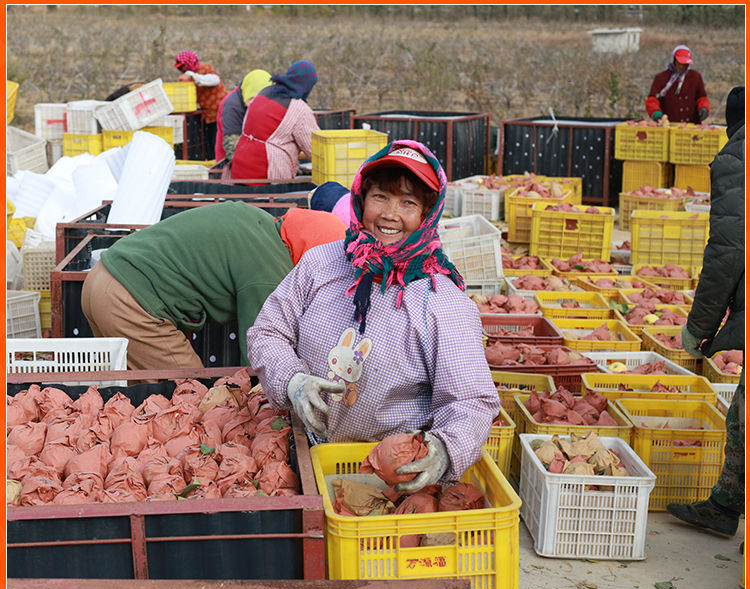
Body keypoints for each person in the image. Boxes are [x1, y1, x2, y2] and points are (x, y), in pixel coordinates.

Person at [246, 140, 501, 491]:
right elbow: (268, 331)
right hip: (300, 455)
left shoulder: (443, 304)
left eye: (408, 203)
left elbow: (471, 400)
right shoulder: (322, 263)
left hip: (386, 477)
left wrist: (445, 447)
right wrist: (291, 380)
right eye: (380, 196)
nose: (389, 214)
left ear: (428, 214)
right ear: (361, 198)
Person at [80, 203, 346, 371]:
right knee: (188, 398)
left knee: (138, 398)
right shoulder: (270, 271)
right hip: (129, 300)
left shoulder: (259, 223)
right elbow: (260, 353)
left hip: (101, 277)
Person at [668, 86, 745, 536]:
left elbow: (728, 252)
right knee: (741, 411)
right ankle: (724, 505)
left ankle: (724, 507)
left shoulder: (738, 158)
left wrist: (699, 327)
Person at [230, 59, 318, 182]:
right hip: (267, 173)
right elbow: (314, 148)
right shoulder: (298, 108)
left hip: (241, 164)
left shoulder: (264, 92)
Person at [174, 49, 228, 153]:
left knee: (217, 142)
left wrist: (194, 76)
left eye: (183, 66)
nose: (183, 69)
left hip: (220, 111)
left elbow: (215, 80)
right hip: (208, 114)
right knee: (210, 143)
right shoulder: (189, 76)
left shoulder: (205, 69)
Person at [215, 69, 273, 163]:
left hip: (254, 152)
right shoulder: (232, 107)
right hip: (232, 160)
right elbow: (232, 147)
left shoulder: (268, 99)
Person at [645, 45, 710, 124]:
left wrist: (703, 108)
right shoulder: (661, 78)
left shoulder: (695, 77)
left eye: (685, 64)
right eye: (679, 63)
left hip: (692, 124)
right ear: (673, 61)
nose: (682, 66)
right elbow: (652, 99)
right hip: (669, 124)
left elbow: (702, 97)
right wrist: (655, 112)